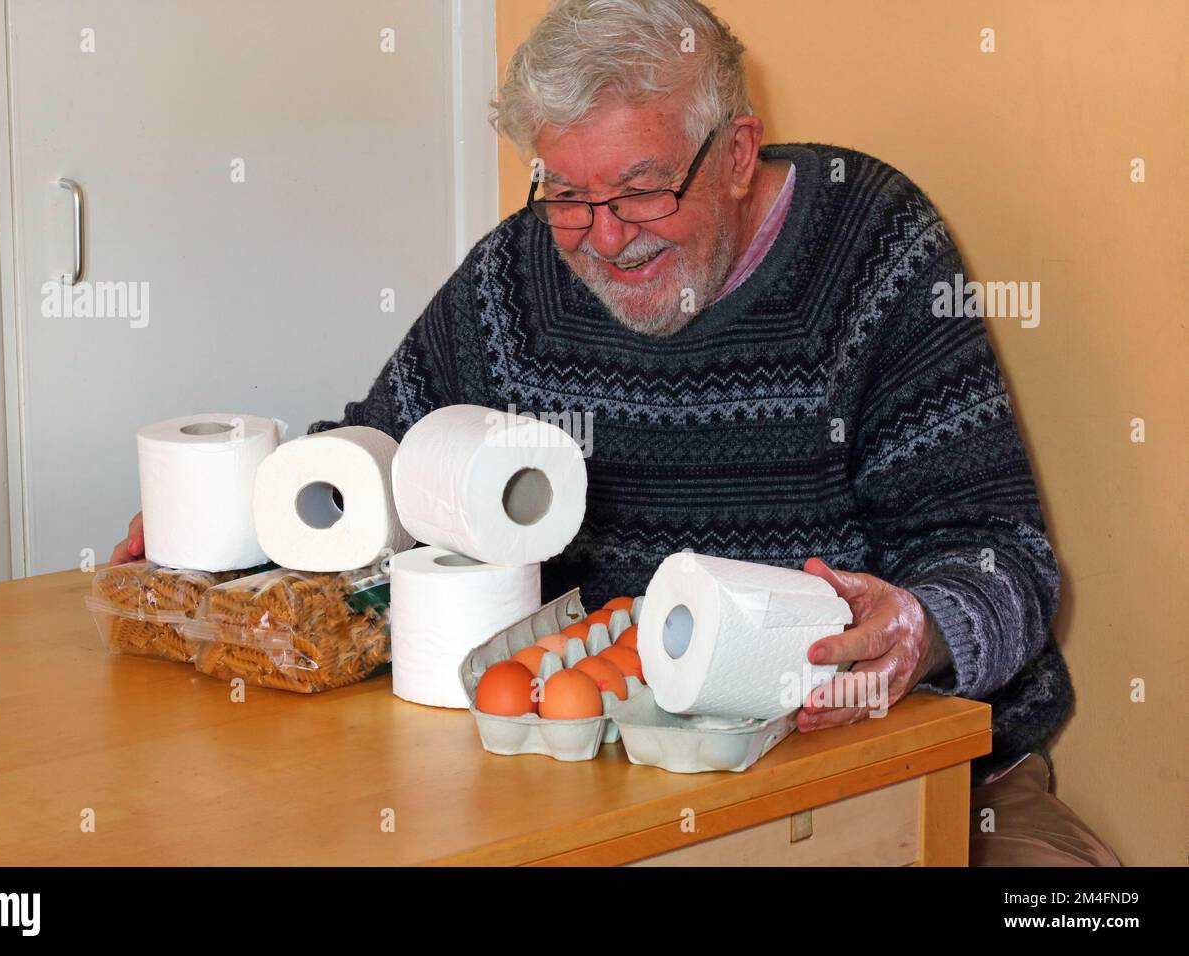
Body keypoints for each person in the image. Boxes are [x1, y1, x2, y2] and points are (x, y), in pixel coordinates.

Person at [112, 0, 1119, 866]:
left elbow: (1006, 561)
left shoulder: (872, 251)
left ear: (734, 152)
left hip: (901, 766)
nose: (603, 234)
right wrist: (227, 533)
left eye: (641, 188)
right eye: (565, 193)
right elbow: (380, 460)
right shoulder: (523, 272)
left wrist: (916, 626)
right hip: (598, 783)